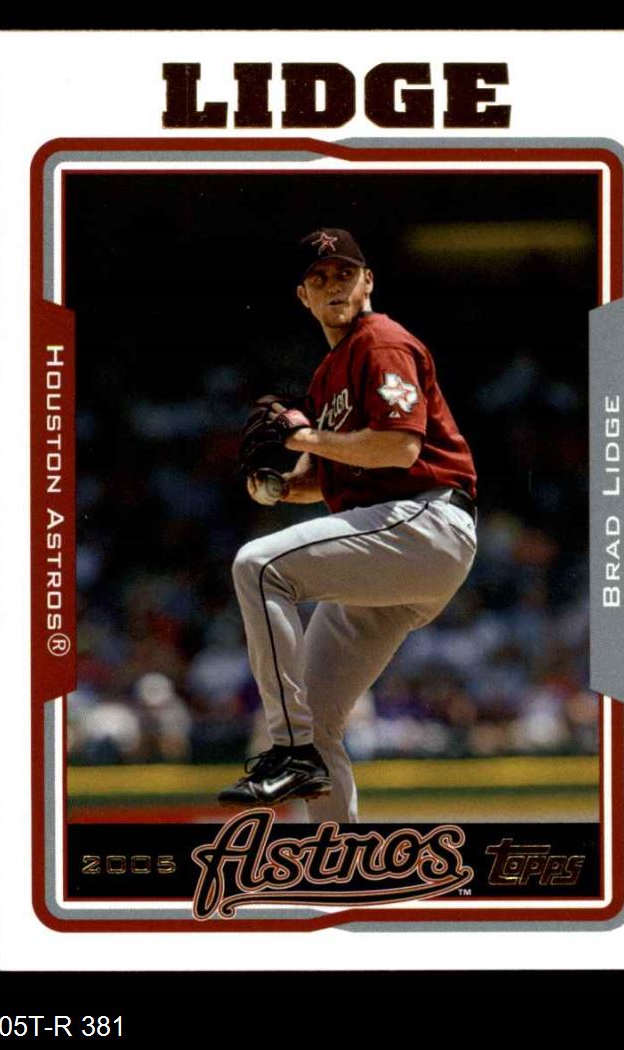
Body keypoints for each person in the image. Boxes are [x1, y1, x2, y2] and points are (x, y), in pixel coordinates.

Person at [218, 228, 478, 823]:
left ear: (368, 281)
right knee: (319, 718)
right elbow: (326, 477)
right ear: (303, 296)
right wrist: (279, 486)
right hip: (391, 547)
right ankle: (336, 858)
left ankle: (289, 751)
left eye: (344, 273)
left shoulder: (380, 342)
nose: (333, 284)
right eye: (319, 278)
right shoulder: (326, 375)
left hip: (424, 522)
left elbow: (398, 448)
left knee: (257, 566)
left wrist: (304, 436)